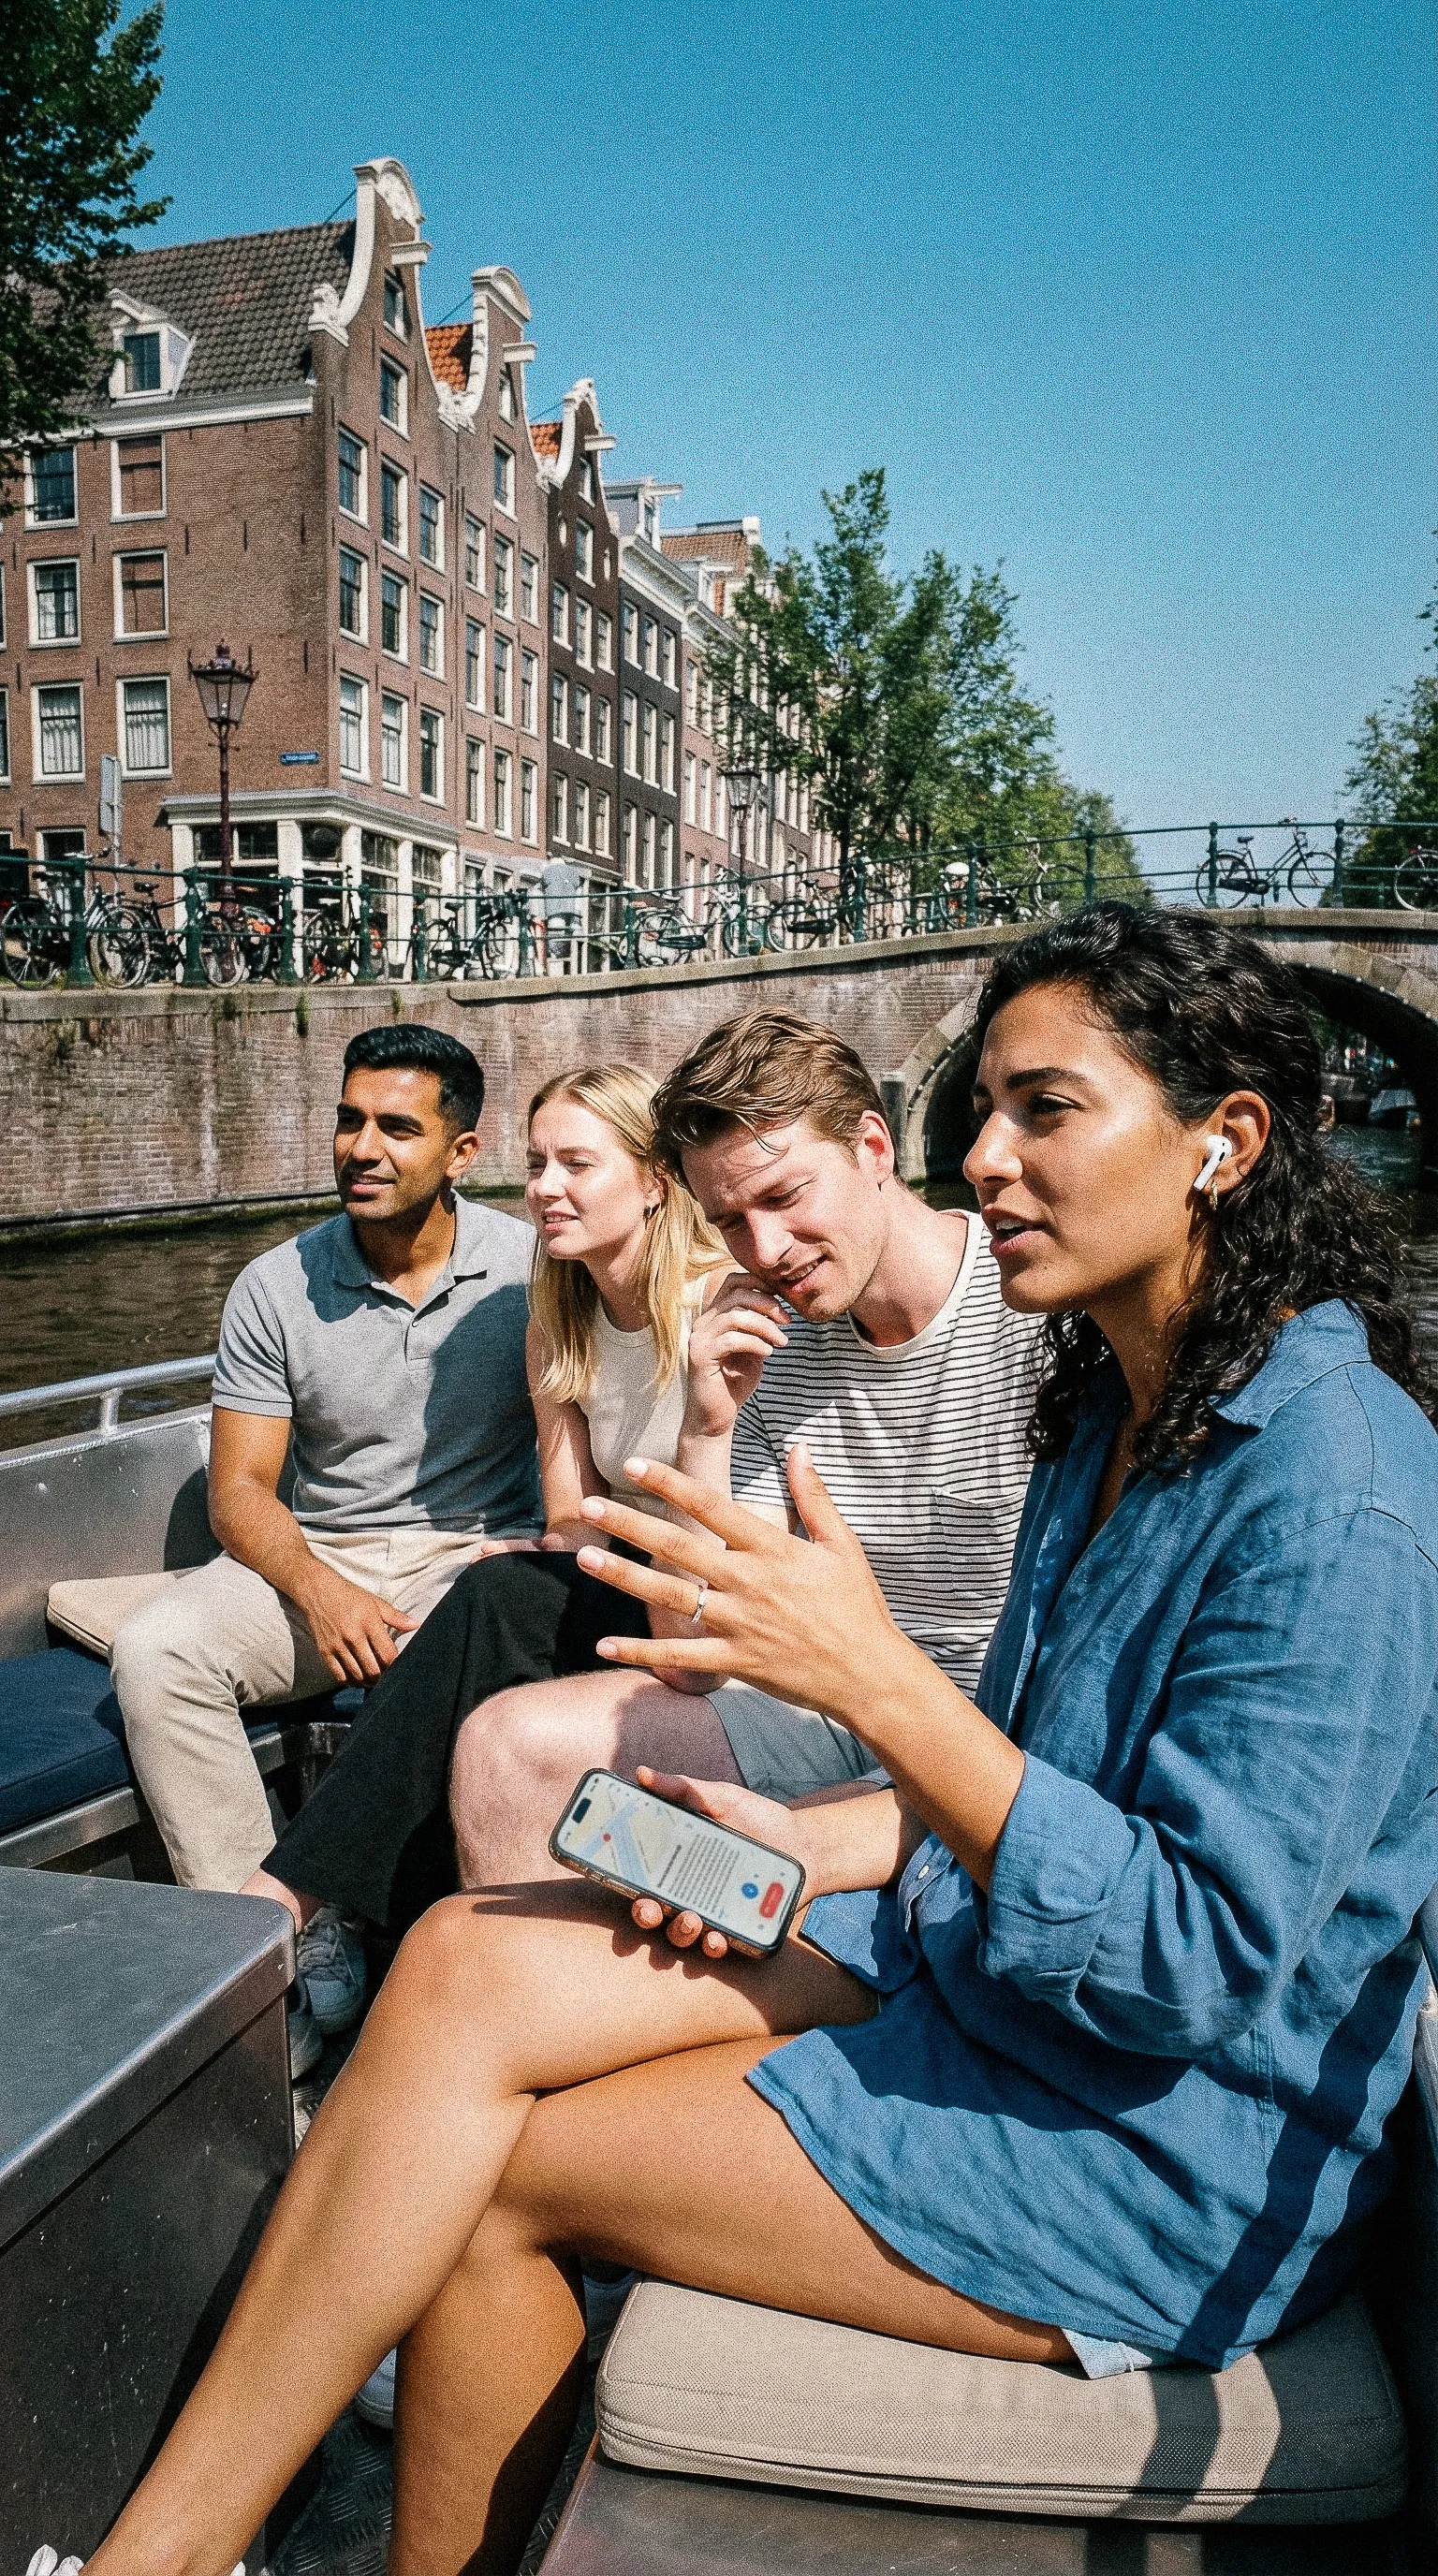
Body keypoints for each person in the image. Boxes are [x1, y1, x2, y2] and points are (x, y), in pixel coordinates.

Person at [45, 901, 1438, 2576]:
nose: (984, 1157)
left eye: (1045, 1110)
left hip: (1153, 2133)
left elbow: (1189, 1963)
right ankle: (156, 2563)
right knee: (470, 1954)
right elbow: (992, 1788)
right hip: (976, 1960)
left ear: (1224, 1143)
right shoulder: (1114, 1401)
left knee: (504, 2179)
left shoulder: (1339, 1491)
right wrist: (786, 1843)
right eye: (980, 1109)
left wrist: (871, 1683)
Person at [252, 1012, 1039, 1939]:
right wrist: (707, 1424)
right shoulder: (758, 1334)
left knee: (504, 1602)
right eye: (733, 1222)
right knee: (505, 1750)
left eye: (787, 1197)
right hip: (824, 1708)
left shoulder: (1031, 1302)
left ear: (875, 1146)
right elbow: (690, 1658)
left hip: (988, 1729)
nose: (767, 1248)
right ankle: (462, 1988)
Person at [110, 1022, 537, 2054]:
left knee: (445, 1661)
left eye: (397, 1126)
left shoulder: (533, 1271)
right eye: (349, 1120)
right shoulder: (275, 1285)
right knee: (158, 1652)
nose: (361, 1147)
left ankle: (429, 1965)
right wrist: (321, 1589)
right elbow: (243, 1493)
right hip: (322, 1554)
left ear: (461, 1153)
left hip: (469, 1557)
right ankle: (290, 1954)